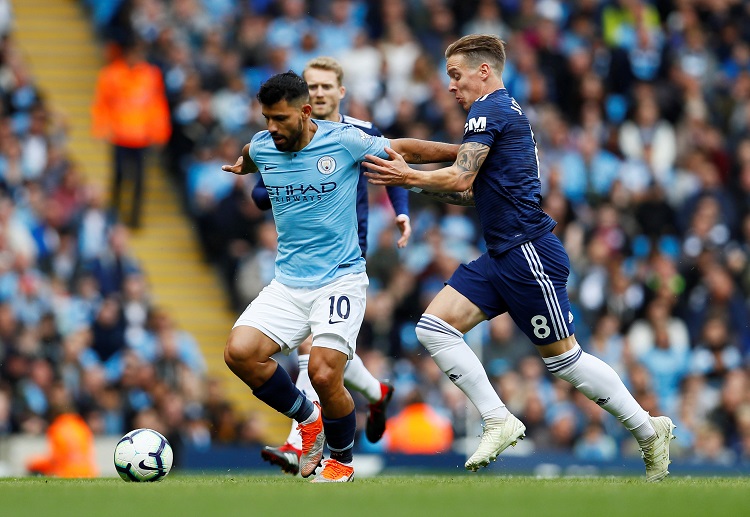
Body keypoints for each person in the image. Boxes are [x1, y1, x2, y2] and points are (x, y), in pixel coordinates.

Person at [363, 34, 676, 482]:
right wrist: (409, 168)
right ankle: (498, 419)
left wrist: (406, 173)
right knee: (433, 328)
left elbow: (459, 177)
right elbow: (471, 190)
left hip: (528, 253)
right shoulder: (497, 115)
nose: (451, 86)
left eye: (456, 75)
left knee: (565, 361)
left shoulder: (488, 110)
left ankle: (648, 431)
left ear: (483, 71)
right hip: (502, 253)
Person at [221, 71, 456, 482]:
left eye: (279, 118)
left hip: (340, 279)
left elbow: (404, 150)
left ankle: (342, 462)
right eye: (266, 118)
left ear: (305, 111)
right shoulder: (262, 145)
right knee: (239, 353)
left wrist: (469, 150)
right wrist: (244, 166)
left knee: (324, 372)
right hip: (288, 283)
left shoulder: (343, 141)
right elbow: (250, 154)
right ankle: (309, 421)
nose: (271, 127)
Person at [251, 57, 407, 476]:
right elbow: (260, 186)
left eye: (325, 86)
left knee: (316, 356)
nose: (319, 92)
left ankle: (302, 441)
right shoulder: (281, 136)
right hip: (300, 265)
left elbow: (394, 164)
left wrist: (402, 213)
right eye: (312, 86)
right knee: (326, 359)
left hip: (345, 256)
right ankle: (376, 393)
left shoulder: (356, 134)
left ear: (341, 91)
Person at [91, 37, 171, 229]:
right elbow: (102, 103)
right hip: (120, 135)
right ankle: (113, 214)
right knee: (118, 176)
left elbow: (157, 106)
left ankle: (135, 219)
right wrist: (100, 128)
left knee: (140, 181)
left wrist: (160, 133)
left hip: (142, 137)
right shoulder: (111, 75)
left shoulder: (151, 75)